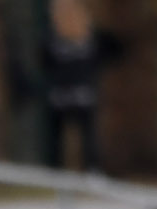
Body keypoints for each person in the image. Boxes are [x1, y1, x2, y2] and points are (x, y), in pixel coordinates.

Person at [35, 0, 122, 175]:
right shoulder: (59, 39)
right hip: (70, 94)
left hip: (76, 94)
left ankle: (84, 170)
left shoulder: (86, 38)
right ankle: (83, 170)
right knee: (71, 137)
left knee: (81, 136)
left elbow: (110, 52)